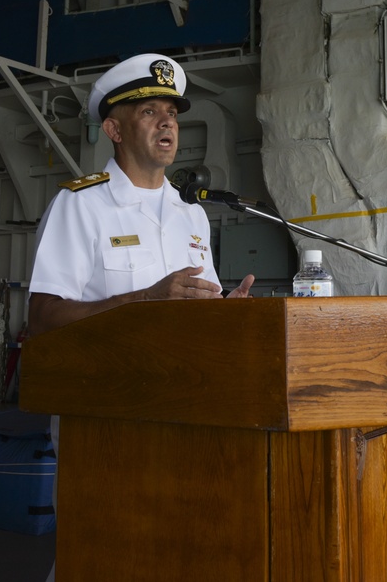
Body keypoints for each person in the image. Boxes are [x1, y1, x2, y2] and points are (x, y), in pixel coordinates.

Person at [27, 52, 254, 581]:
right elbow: (41, 316)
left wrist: (228, 317)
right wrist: (141, 301)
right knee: (101, 554)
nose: (167, 121)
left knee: (172, 553)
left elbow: (196, 309)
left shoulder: (191, 214)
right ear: (113, 128)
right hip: (102, 418)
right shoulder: (80, 205)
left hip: (183, 413)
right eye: (149, 111)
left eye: (171, 112)